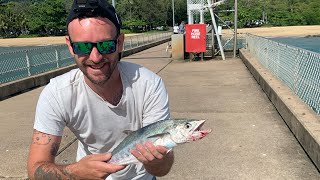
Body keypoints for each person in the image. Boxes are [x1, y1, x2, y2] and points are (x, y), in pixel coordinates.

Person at [27, 0, 174, 179]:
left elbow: (162, 169)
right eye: (82, 47)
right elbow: (35, 169)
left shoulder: (149, 85)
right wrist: (73, 173)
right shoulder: (56, 94)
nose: (95, 58)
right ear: (70, 46)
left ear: (119, 43)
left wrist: (158, 161)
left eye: (106, 45)